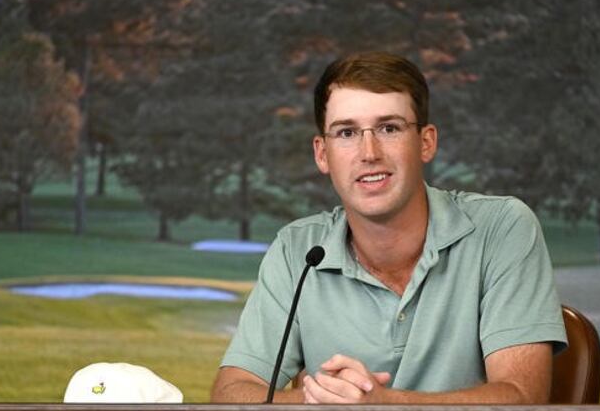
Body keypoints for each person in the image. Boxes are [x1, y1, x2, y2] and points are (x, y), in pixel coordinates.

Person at [211, 51, 567, 404]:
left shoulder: (502, 229)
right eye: (347, 132)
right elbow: (230, 393)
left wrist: (383, 405)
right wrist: (319, 402)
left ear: (426, 142)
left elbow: (522, 398)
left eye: (389, 128)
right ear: (322, 154)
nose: (369, 152)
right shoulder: (296, 250)